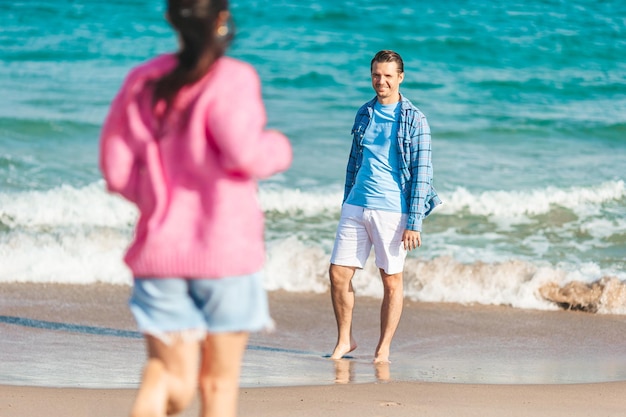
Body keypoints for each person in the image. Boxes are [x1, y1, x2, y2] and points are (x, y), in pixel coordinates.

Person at [99, 1, 292, 416]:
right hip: (226, 257)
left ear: (172, 19)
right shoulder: (233, 78)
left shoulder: (141, 81)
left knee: (172, 378)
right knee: (218, 386)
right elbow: (245, 153)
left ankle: (159, 377)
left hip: (160, 255)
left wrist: (153, 197)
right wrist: (279, 148)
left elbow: (115, 172)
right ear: (221, 18)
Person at [329, 50, 440, 364]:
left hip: (393, 209)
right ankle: (345, 340)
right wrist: (347, 200)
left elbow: (422, 172)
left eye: (388, 75)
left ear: (400, 77)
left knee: (390, 280)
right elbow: (354, 161)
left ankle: (383, 348)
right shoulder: (364, 113)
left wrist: (414, 221)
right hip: (356, 204)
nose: (382, 81)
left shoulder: (415, 119)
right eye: (377, 75)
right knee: (338, 274)